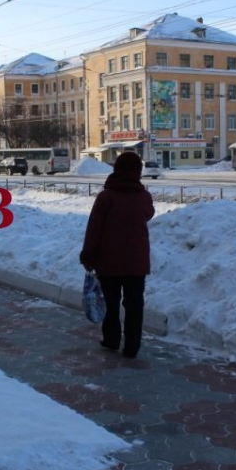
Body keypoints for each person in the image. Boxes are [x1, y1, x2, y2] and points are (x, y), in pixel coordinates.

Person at [80, 152, 155, 359]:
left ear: (116, 169)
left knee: (110, 303)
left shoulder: (106, 197)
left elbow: (94, 228)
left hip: (109, 261)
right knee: (134, 305)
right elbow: (149, 214)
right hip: (136, 262)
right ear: (138, 171)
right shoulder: (144, 197)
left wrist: (88, 255)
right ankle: (132, 346)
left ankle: (111, 339)